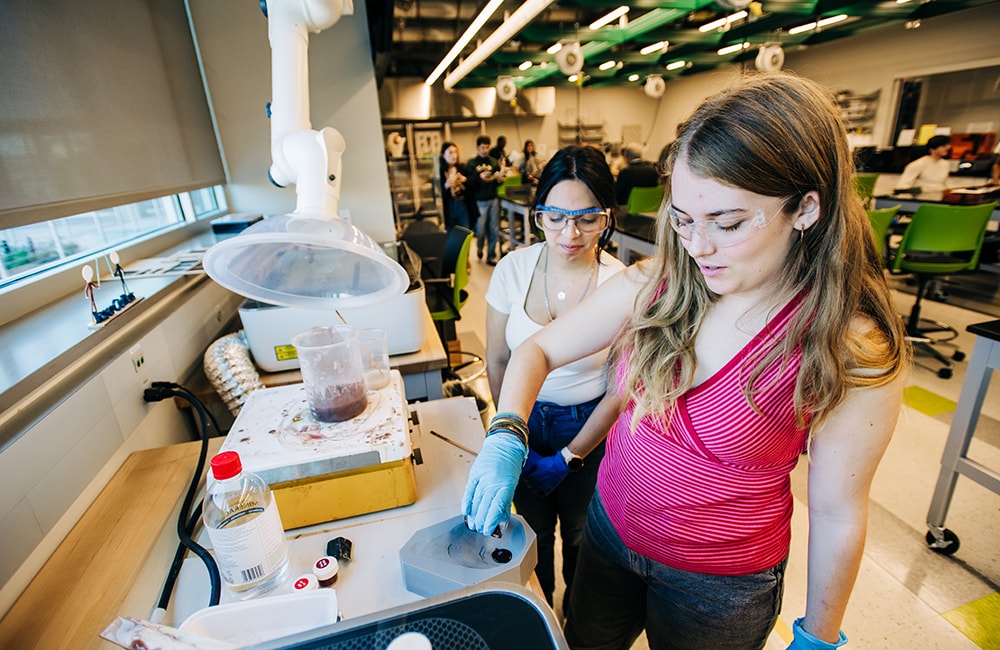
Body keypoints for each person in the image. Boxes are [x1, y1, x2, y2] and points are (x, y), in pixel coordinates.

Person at [463, 74, 909, 650]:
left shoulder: (847, 345)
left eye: (727, 224)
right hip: (610, 532)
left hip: (719, 587)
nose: (697, 247)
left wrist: (819, 636)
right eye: (683, 219)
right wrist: (506, 432)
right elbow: (537, 349)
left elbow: (838, 512)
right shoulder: (661, 283)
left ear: (805, 208)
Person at [485, 145, 625, 612]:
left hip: (591, 426)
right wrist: (506, 435)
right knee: (532, 535)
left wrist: (572, 455)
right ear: (537, 213)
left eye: (587, 218)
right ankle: (543, 617)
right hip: (521, 419)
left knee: (585, 536)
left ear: (607, 217)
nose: (571, 233)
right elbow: (499, 361)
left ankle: (579, 622)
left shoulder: (619, 282)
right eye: (555, 217)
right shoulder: (512, 270)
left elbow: (623, 386)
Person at [469, 135, 504, 265]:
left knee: (494, 229)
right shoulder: (471, 163)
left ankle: (491, 256)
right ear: (478, 147)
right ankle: (479, 247)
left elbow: (499, 181)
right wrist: (479, 177)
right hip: (479, 200)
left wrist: (499, 179)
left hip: (493, 198)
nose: (485, 150)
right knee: (481, 229)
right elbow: (470, 183)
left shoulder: (494, 162)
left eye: (487, 147)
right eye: (483, 147)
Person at [438, 142, 477, 231]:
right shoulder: (440, 172)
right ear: (443, 155)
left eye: (455, 152)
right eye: (450, 152)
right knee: (450, 236)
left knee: (464, 233)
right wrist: (446, 186)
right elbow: (436, 193)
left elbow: (475, 182)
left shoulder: (462, 168)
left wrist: (464, 179)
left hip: (462, 204)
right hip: (448, 207)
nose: (454, 155)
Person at [614, 142, 660, 207]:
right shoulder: (654, 170)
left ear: (627, 157)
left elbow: (617, 195)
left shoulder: (625, 173)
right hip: (651, 209)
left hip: (630, 211)